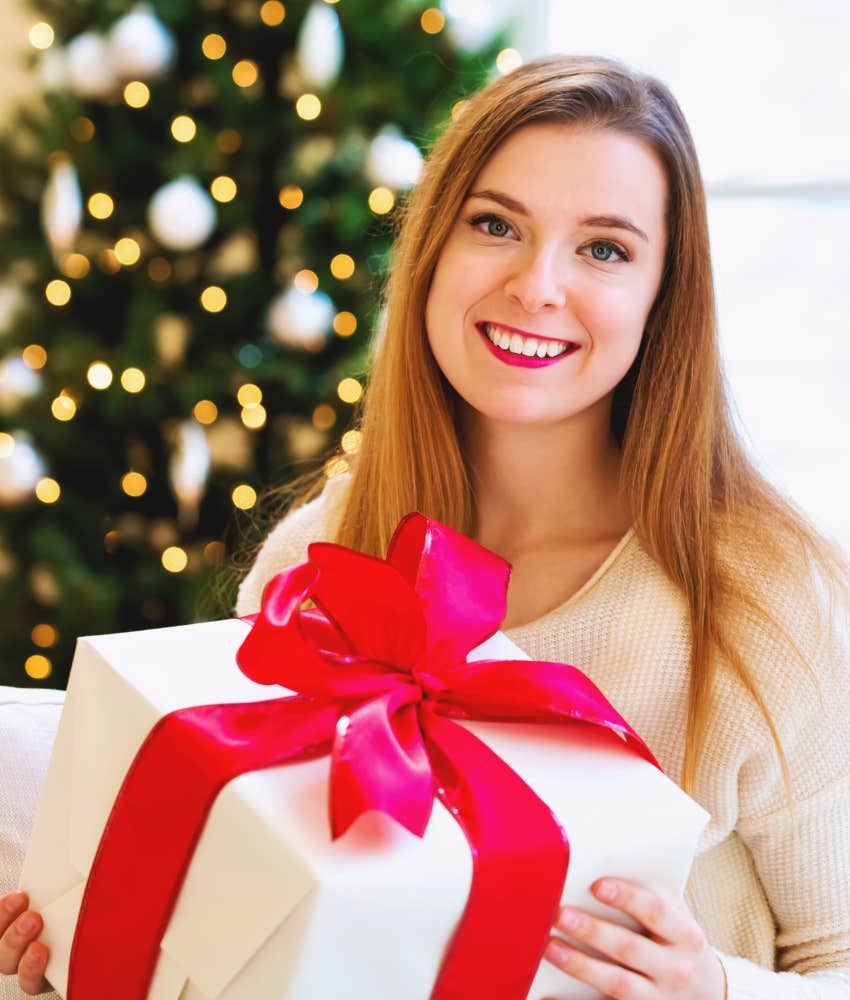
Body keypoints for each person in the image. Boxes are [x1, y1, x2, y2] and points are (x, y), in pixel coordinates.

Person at [3, 52, 849, 999]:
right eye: (496, 225)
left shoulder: (764, 600)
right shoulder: (321, 559)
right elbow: (257, 904)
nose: (537, 287)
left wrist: (718, 990)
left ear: (665, 299)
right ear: (432, 250)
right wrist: (83, 945)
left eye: (604, 249)